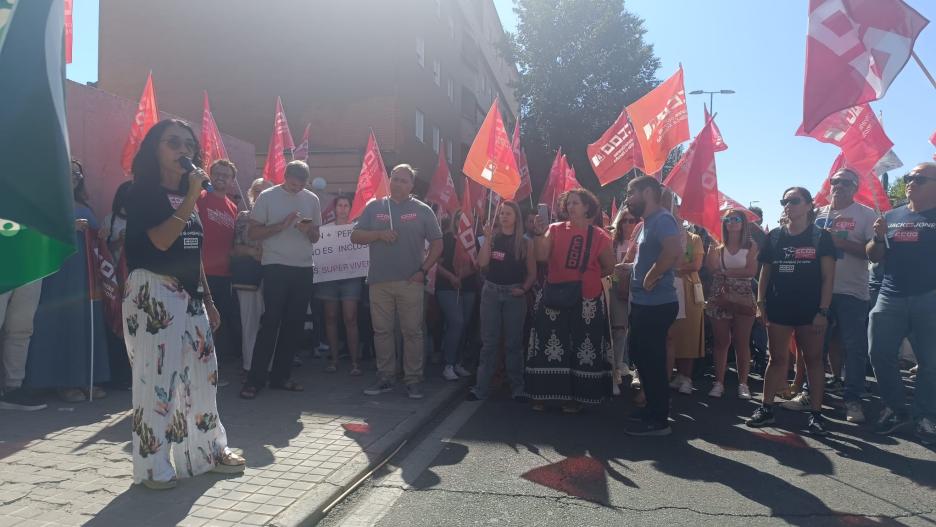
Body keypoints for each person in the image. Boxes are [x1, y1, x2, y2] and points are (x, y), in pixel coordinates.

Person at [122, 119, 244, 489]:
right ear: (155, 150)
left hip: (190, 296)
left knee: (205, 375)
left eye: (189, 145)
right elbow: (160, 242)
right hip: (154, 292)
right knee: (158, 381)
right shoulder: (141, 192)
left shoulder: (187, 198)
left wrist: (207, 299)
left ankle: (206, 452)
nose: (184, 151)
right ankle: (152, 465)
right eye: (173, 143)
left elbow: (193, 252)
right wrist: (192, 197)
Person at [747, 187, 835, 436]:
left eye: (794, 200)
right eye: (784, 200)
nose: (788, 205)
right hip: (779, 308)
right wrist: (760, 303)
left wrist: (823, 310)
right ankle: (766, 408)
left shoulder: (821, 237)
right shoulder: (775, 236)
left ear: (809, 205)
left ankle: (816, 414)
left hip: (811, 310)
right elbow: (765, 273)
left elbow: (829, 277)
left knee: (814, 361)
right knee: (776, 359)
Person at [352, 164, 443, 400]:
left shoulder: (423, 210)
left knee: (412, 332)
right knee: (382, 331)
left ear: (412, 185)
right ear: (389, 180)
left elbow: (438, 244)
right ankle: (385, 377)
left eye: (404, 180)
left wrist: (423, 271)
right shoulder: (375, 206)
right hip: (379, 281)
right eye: (395, 178)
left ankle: (413, 380)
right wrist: (379, 235)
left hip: (410, 281)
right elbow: (356, 235)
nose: (398, 183)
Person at [26, 160, 110, 402]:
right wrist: (67, 227)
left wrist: (100, 235)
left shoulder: (84, 206)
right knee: (60, 324)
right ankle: (62, 382)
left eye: (77, 173)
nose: (74, 176)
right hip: (58, 273)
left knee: (83, 324)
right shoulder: (46, 204)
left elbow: (94, 240)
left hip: (84, 275)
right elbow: (34, 234)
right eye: (68, 171)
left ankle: (86, 379)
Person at [867, 163, 936, 445]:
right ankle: (897, 408)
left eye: (919, 179)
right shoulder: (891, 215)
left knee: (931, 362)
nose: (911, 182)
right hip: (890, 295)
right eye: (909, 177)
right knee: (878, 353)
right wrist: (877, 236)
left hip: (929, 297)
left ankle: (924, 415)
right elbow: (874, 256)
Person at [528, 188, 615, 413]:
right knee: (550, 344)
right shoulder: (554, 229)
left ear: (587, 207)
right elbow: (540, 257)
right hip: (554, 295)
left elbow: (609, 266)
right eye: (568, 203)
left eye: (575, 203)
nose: (570, 207)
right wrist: (538, 234)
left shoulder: (600, 236)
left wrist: (588, 277)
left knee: (581, 347)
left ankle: (575, 398)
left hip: (587, 300)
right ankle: (543, 394)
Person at [240, 161, 321, 399]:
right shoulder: (267, 196)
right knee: (271, 322)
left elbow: (316, 237)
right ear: (284, 177)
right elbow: (252, 233)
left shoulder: (312, 200)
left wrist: (308, 231)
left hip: (304, 267)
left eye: (301, 185)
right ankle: (254, 380)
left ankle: (281, 377)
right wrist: (281, 226)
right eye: (293, 184)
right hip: (275, 266)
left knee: (293, 325)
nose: (296, 189)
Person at [813, 168, 877, 423]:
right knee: (816, 347)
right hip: (819, 292)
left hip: (852, 291)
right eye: (835, 181)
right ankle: (811, 391)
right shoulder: (818, 214)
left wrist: (841, 243)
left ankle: (853, 400)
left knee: (855, 348)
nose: (838, 185)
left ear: (855, 187)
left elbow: (875, 254)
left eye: (845, 182)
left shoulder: (865, 214)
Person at [622, 176, 681, 436]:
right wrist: (631, 269)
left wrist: (652, 275)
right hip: (644, 302)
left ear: (647, 192)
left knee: (653, 360)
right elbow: (652, 255)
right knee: (640, 354)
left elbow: (673, 250)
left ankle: (659, 420)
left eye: (630, 193)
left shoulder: (663, 218)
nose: (627, 199)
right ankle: (651, 409)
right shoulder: (647, 223)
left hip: (657, 304)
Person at [470, 200, 536, 401]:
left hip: (514, 295)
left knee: (513, 344)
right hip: (491, 292)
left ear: (516, 217)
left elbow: (532, 273)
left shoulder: (525, 242)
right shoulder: (491, 238)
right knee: (489, 343)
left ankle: (517, 388)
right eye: (501, 213)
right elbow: (482, 264)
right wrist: (488, 239)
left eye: (508, 213)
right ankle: (480, 388)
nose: (504, 216)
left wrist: (523, 289)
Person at [704, 209, 758, 399]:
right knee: (721, 342)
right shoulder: (717, 245)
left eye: (735, 219)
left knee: (742, 342)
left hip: (743, 296)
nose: (731, 222)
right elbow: (712, 268)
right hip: (720, 295)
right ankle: (718, 382)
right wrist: (712, 244)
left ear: (743, 223)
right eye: (727, 219)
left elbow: (751, 271)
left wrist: (725, 272)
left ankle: (743, 383)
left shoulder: (751, 245)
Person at [197, 160, 242, 367]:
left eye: (226, 175)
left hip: (224, 276)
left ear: (232, 180)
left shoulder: (233, 207)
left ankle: (211, 369)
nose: (221, 177)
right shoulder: (198, 199)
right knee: (198, 323)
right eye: (217, 173)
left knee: (216, 324)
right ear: (210, 175)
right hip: (200, 273)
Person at [314, 194, 364, 375]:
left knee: (350, 318)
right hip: (329, 279)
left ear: (351, 208)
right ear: (335, 209)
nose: (342, 209)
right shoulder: (325, 230)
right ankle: (334, 360)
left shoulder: (357, 229)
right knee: (331, 318)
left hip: (351, 278)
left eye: (346, 206)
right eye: (340, 206)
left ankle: (355, 363)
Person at [663, 193, 705, 397]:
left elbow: (696, 264)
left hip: (688, 291)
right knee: (671, 334)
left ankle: (686, 376)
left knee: (688, 334)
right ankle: (673, 374)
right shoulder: (663, 235)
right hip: (667, 289)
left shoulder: (694, 239)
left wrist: (674, 266)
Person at [232, 178, 271, 378]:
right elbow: (235, 247)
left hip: (274, 275)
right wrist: (251, 251)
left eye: (266, 190)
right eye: (257, 190)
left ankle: (270, 364)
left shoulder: (278, 217)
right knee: (250, 321)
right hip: (249, 276)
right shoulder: (243, 217)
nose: (261, 194)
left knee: (274, 322)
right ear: (251, 193)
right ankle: (249, 365)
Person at [435, 211, 478, 381]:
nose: (462, 222)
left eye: (466, 219)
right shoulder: (445, 238)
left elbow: (477, 264)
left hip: (467, 287)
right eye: (460, 218)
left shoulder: (472, 240)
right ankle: (449, 364)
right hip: (446, 287)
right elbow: (436, 263)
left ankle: (458, 362)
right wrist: (452, 277)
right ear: (455, 220)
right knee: (457, 322)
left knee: (464, 325)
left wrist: (462, 276)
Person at [609, 208, 640, 394]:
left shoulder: (643, 240)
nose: (629, 224)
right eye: (625, 220)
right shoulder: (613, 242)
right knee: (618, 332)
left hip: (639, 292)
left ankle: (633, 370)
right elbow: (609, 267)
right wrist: (620, 282)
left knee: (636, 333)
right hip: (617, 291)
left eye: (633, 220)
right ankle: (615, 373)